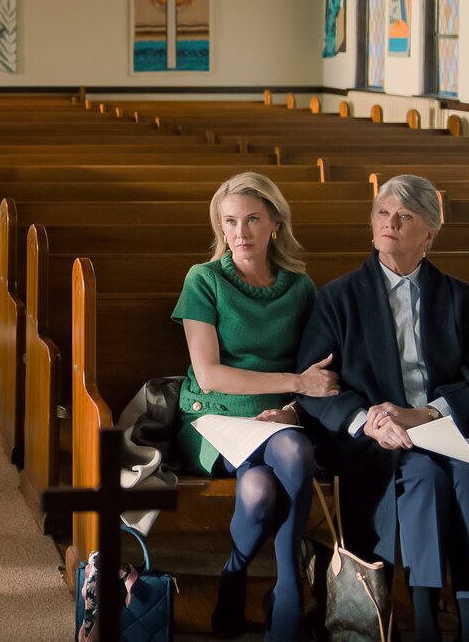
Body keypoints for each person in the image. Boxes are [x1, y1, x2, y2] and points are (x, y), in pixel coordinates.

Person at [296, 174, 469, 642]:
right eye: (383, 213)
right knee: (424, 480)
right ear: (371, 225)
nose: (390, 223)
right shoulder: (339, 297)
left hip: (448, 429)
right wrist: (365, 421)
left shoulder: (457, 297)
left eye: (405, 216)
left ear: (429, 232)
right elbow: (313, 384)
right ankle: (425, 622)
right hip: (377, 444)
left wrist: (428, 413)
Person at [171, 172, 331, 641]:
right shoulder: (204, 280)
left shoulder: (300, 287)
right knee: (292, 454)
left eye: (253, 220)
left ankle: (237, 579)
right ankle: (287, 589)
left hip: (274, 420)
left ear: (275, 224)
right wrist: (294, 382)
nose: (240, 233)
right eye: (230, 222)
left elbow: (316, 369)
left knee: (262, 489)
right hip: (213, 417)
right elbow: (209, 374)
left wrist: (294, 407)